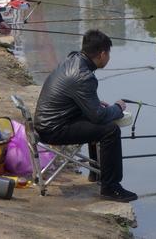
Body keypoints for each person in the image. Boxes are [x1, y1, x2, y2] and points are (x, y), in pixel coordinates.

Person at [34, 29, 137, 203]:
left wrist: (95, 105)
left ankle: (95, 173)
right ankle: (111, 187)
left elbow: (82, 102)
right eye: (109, 54)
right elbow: (99, 117)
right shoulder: (84, 76)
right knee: (110, 130)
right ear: (103, 54)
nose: (109, 58)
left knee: (96, 121)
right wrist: (118, 108)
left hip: (46, 122)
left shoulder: (73, 59)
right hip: (53, 129)